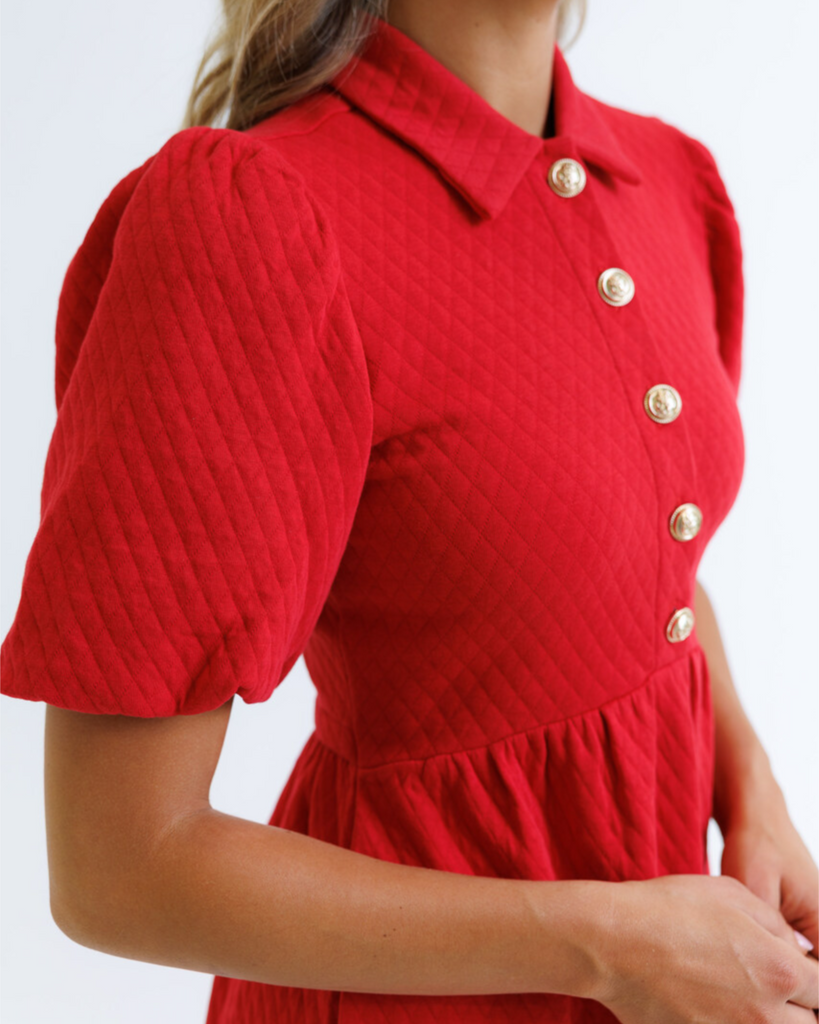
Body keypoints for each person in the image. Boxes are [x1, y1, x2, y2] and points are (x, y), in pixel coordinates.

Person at [1, 0, 817, 1022]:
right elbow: (115, 869)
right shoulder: (256, 218)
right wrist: (612, 946)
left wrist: (756, 794)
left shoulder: (667, 178)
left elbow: (648, 556)